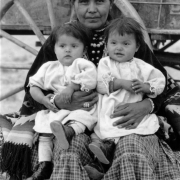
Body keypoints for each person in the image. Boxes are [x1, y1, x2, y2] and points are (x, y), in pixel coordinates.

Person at [0, 0, 180, 179]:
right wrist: (57, 101)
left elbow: (161, 83)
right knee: (68, 150)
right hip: (70, 122)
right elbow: (33, 86)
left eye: (100, 2)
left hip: (122, 123)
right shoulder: (63, 38)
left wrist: (146, 106)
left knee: (131, 150)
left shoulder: (126, 36)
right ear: (74, 4)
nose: (92, 9)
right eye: (84, 2)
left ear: (111, 4)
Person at [83, 16, 166, 178]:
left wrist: (146, 87)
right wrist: (120, 83)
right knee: (102, 136)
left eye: (126, 44)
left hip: (133, 113)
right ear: (106, 46)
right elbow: (100, 85)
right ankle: (99, 165)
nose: (119, 48)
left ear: (137, 47)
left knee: (129, 135)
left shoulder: (141, 66)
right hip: (109, 111)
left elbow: (160, 81)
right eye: (113, 43)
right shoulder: (105, 63)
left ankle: (109, 164)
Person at [28, 21, 97, 180]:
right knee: (44, 133)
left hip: (80, 109)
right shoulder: (48, 67)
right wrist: (45, 101)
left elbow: (91, 81)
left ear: (83, 50)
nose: (68, 50)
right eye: (62, 46)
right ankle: (44, 164)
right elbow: (33, 86)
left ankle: (68, 131)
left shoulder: (84, 65)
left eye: (74, 46)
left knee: (83, 118)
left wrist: (71, 88)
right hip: (56, 109)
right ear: (54, 48)